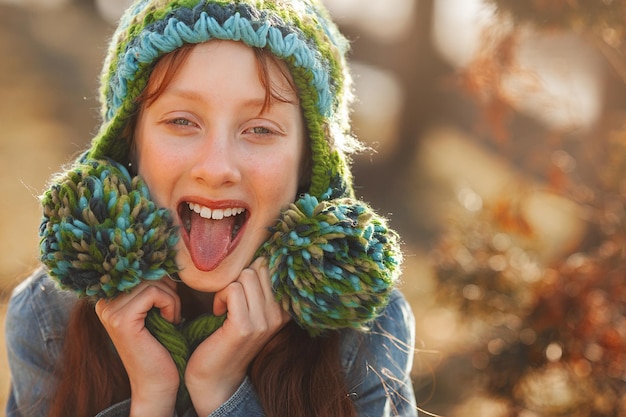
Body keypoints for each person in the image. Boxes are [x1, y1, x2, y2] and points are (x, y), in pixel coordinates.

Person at [5, 1, 417, 416]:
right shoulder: (47, 317)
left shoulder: (363, 329)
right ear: (129, 145)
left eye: (260, 128)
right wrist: (151, 398)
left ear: (310, 164)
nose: (216, 168)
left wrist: (221, 392)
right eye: (182, 121)